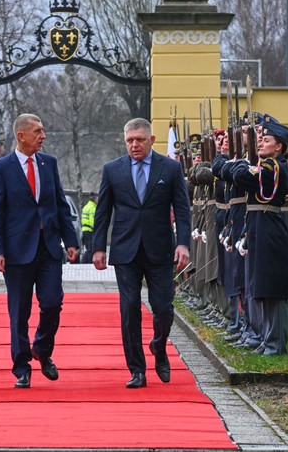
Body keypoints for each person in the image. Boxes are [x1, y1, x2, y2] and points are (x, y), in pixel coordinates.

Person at [92, 118, 192, 388]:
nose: (134, 145)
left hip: (160, 248)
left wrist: (183, 243)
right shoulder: (113, 170)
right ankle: (136, 369)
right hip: (125, 249)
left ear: (151, 140)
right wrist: (98, 247)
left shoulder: (169, 168)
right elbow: (103, 211)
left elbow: (182, 209)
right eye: (129, 140)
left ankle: (159, 347)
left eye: (139, 139)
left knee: (163, 308)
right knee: (129, 309)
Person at [0, 113, 79, 388]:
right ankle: (21, 366)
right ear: (21, 136)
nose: (43, 136)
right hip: (16, 251)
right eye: (38, 131)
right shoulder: (1, 168)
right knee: (19, 311)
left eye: (43, 130)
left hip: (49, 248)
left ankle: (42, 348)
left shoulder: (49, 163)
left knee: (52, 303)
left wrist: (70, 240)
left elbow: (60, 204)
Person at [227, 117, 288, 356]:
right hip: (259, 223)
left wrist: (242, 164)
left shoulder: (273, 167)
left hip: (269, 226)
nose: (260, 143)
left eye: (266, 140)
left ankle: (276, 343)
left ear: (279, 147)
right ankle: (267, 339)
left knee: (271, 287)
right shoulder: (265, 165)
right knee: (260, 286)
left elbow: (240, 176)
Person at [79, 193, 96, 263]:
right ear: (95, 199)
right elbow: (93, 221)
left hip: (84, 229)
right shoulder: (92, 208)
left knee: (88, 247)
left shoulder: (86, 206)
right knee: (90, 248)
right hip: (89, 230)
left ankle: (84, 261)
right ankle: (88, 262)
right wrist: (96, 229)